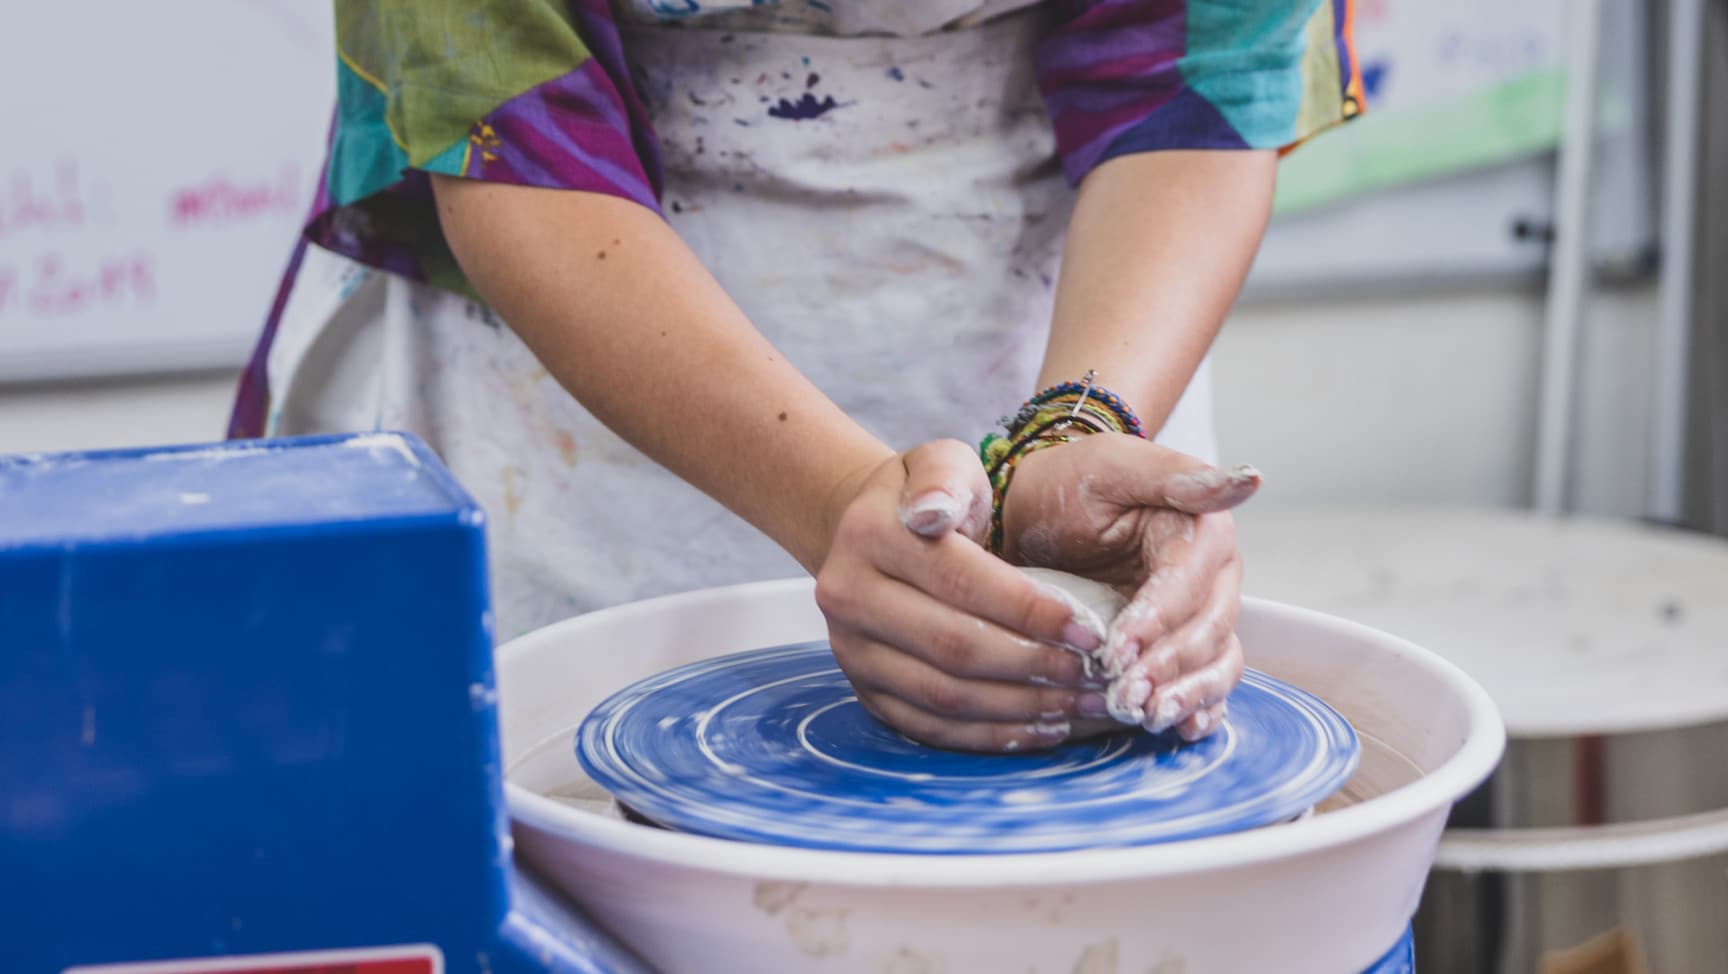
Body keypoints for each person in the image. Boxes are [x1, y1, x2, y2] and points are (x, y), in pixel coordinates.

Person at [230, 0, 1362, 752]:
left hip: (1076, 304)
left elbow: (1197, 75)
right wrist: (832, 502)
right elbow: (513, 120)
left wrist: (1072, 430)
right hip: (584, 365)